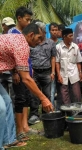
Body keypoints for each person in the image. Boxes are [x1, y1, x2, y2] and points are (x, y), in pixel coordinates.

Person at [0, 23, 53, 149]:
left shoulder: (16, 38)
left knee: (7, 102)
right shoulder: (22, 45)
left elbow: (6, 56)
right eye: (39, 38)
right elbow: (27, 79)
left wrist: (13, 72)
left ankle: (8, 140)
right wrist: (44, 98)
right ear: (31, 35)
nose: (40, 42)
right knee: (1, 108)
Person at [7, 6, 38, 141]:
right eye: (27, 19)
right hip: (18, 73)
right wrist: (14, 73)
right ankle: (19, 129)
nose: (29, 22)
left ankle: (25, 126)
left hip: (27, 71)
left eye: (30, 20)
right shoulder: (12, 33)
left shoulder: (26, 33)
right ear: (19, 18)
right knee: (19, 99)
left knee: (26, 98)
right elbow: (10, 56)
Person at [28, 22, 56, 124]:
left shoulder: (50, 43)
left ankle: (46, 114)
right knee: (34, 95)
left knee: (47, 94)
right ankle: (34, 115)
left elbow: (53, 58)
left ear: (44, 32)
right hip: (34, 72)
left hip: (47, 72)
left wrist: (53, 72)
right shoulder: (31, 43)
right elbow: (27, 57)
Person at [56, 28, 82, 106]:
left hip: (74, 74)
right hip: (63, 75)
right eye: (70, 36)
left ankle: (78, 113)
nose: (72, 37)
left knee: (77, 95)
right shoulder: (58, 47)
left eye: (72, 35)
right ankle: (68, 114)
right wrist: (58, 75)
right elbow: (57, 62)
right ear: (64, 36)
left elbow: (78, 61)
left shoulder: (75, 47)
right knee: (64, 96)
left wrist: (80, 72)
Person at [0, 17, 16, 103]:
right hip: (1, 73)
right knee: (3, 97)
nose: (10, 28)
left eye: (12, 26)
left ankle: (13, 115)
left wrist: (15, 72)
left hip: (11, 72)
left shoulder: (14, 38)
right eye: (8, 26)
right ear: (3, 26)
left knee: (13, 96)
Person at [49, 22, 61, 109]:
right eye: (53, 30)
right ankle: (52, 109)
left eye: (56, 30)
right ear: (49, 31)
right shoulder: (47, 43)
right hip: (51, 71)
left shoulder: (61, 43)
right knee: (52, 91)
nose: (54, 32)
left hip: (61, 71)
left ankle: (60, 109)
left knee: (61, 91)